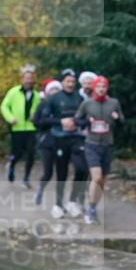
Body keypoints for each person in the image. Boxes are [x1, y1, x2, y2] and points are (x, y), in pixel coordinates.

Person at [37, 68, 86, 218]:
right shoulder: (54, 98)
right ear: (62, 82)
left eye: (73, 81)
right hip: (59, 138)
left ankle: (72, 201)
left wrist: (76, 122)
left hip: (76, 138)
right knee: (61, 172)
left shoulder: (80, 98)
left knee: (81, 168)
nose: (70, 84)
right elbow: (44, 120)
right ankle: (58, 204)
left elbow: (86, 119)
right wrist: (61, 121)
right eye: (67, 81)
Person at [75, 75, 124, 224]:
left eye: (104, 86)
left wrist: (117, 118)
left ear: (107, 88)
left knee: (101, 181)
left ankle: (93, 205)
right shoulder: (87, 103)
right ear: (94, 88)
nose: (101, 89)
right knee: (96, 177)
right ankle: (90, 209)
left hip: (107, 145)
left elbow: (122, 122)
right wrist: (87, 122)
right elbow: (77, 119)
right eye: (98, 87)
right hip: (92, 144)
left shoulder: (114, 103)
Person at [0, 64, 41, 188]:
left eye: (30, 78)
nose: (28, 81)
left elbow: (39, 110)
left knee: (30, 153)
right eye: (26, 78)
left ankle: (26, 178)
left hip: (31, 128)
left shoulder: (36, 95)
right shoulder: (14, 92)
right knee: (16, 153)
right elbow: (4, 106)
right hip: (17, 127)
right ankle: (11, 166)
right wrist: (10, 118)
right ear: (22, 79)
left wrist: (36, 117)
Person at [32, 79, 62, 206]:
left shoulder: (63, 105)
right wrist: (52, 121)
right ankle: (40, 189)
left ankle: (60, 202)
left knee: (62, 172)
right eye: (51, 90)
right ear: (47, 92)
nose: (54, 92)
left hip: (62, 142)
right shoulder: (42, 106)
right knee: (48, 172)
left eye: (56, 90)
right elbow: (36, 122)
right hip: (46, 143)